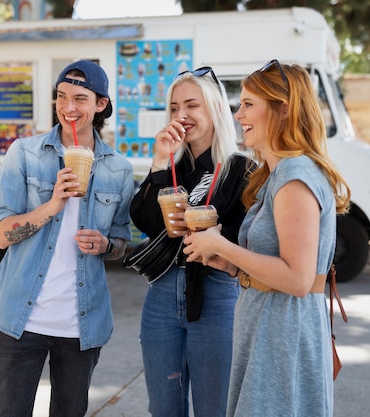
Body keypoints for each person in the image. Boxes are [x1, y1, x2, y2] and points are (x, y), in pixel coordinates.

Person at [183, 60, 351, 417]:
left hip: (282, 336)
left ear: (283, 109)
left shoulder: (294, 178)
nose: (238, 113)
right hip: (267, 332)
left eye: (248, 104)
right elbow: (277, 267)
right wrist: (229, 263)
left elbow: (298, 279)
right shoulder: (275, 175)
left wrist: (221, 244)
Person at [0, 60, 135, 417]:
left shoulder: (119, 169)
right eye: (61, 96)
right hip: (21, 318)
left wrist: (105, 245)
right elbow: (0, 236)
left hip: (81, 323)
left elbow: (121, 244)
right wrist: (52, 205)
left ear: (100, 105)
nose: (69, 107)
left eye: (80, 99)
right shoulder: (24, 153)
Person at [130, 66, 253, 417]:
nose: (181, 116)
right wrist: (158, 160)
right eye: (173, 108)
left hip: (216, 295)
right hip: (161, 297)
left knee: (215, 408)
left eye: (191, 106)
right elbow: (146, 222)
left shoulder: (242, 170)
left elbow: (247, 238)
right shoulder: (171, 166)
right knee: (164, 408)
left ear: (214, 108)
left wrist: (214, 236)